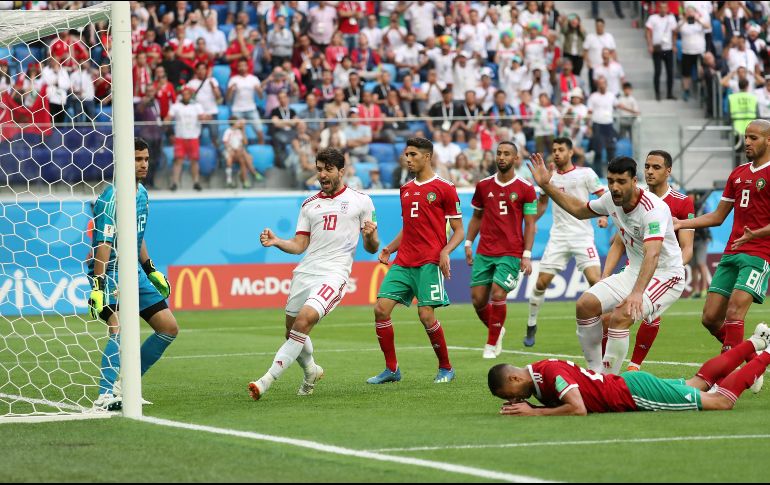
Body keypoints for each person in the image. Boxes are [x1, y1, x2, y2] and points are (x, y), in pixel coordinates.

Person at [529, 154, 685, 375]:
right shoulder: (611, 200)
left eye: (621, 182)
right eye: (610, 181)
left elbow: (653, 254)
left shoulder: (654, 209)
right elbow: (579, 210)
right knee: (585, 305)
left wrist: (637, 293)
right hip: (634, 271)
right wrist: (547, 184)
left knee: (621, 315)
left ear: (634, 181)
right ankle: (594, 373)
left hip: (666, 275)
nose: (614, 187)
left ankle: (608, 380)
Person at [249, 148, 379, 400]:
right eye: (319, 169)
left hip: (334, 273)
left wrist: (371, 236)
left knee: (304, 321)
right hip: (306, 272)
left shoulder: (361, 200)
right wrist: (277, 241)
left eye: (328, 169)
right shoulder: (309, 204)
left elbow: (371, 247)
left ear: (342, 171)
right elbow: (299, 245)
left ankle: (265, 380)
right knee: (292, 333)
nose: (322, 174)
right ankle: (311, 370)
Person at [487, 323, 770, 416]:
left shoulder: (546, 374)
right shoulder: (538, 375)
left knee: (720, 402)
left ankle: (766, 352)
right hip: (630, 384)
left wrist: (535, 412)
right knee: (697, 383)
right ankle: (755, 342)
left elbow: (578, 408)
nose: (512, 401)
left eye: (508, 394)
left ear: (514, 377)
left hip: (633, 393)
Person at [674, 120, 770, 376]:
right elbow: (717, 216)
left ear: (768, 140)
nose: (747, 142)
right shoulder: (738, 173)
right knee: (710, 318)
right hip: (732, 252)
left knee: (735, 311)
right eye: (746, 137)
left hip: (759, 253)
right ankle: (754, 361)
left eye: (753, 138)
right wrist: (682, 222)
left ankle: (722, 377)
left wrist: (756, 233)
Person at [89, 138, 178, 410]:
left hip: (135, 271)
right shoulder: (111, 197)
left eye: (146, 159)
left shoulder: (142, 193)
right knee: (119, 326)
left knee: (168, 328)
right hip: (112, 270)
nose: (143, 164)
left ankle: (127, 387)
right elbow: (103, 244)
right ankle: (104, 395)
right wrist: (98, 284)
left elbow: (137, 235)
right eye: (137, 159)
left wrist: (150, 268)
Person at [368, 137, 465, 384]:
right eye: (406, 155)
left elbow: (459, 231)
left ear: (427, 156)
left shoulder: (445, 188)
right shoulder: (406, 189)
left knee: (426, 315)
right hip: (404, 260)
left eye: (412, 155)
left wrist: (445, 252)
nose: (408, 159)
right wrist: (389, 248)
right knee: (380, 309)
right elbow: (409, 227)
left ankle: (446, 368)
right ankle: (392, 369)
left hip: (429, 261)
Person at [602, 150, 696, 371]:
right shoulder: (633, 197)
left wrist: (667, 274)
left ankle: (634, 365)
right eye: (647, 167)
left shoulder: (682, 203)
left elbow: (687, 248)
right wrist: (605, 275)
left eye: (656, 167)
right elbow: (617, 243)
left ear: (668, 171)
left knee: (649, 317)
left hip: (663, 272)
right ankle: (602, 370)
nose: (650, 172)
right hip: (635, 268)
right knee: (607, 318)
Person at [527, 138, 607, 347]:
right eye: (554, 150)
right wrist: (532, 221)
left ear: (571, 152)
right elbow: (542, 204)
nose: (557, 153)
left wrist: (605, 215)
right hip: (559, 237)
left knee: (595, 281)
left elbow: (603, 195)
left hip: (582, 236)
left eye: (561, 150)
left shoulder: (586, 174)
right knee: (541, 283)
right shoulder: (548, 177)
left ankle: (596, 325)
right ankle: (532, 323)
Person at [466, 142, 536, 358]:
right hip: (485, 250)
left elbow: (530, 223)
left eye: (507, 154)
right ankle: (498, 328)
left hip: (511, 251)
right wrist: (468, 243)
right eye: (499, 153)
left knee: (498, 293)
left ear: (516, 159)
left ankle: (491, 344)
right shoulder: (483, 185)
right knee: (478, 300)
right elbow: (477, 217)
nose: (501, 157)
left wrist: (526, 254)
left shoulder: (526, 188)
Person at [165, 86, 210, 191]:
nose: (186, 96)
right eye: (184, 94)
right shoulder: (176, 106)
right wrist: (166, 121)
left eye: (188, 94)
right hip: (180, 137)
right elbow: (169, 117)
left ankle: (196, 182)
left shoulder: (197, 106)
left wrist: (205, 117)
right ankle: (175, 183)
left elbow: (202, 117)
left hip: (193, 137)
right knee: (178, 161)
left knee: (194, 160)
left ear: (190, 95)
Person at [645, 2, 677, 101]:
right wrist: (650, 45)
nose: (663, 10)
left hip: (668, 49)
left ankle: (669, 93)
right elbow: (648, 32)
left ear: (667, 9)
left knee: (670, 72)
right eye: (661, 8)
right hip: (657, 49)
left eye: (665, 8)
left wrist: (674, 45)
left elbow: (674, 32)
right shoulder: (653, 18)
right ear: (658, 8)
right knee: (657, 71)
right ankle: (657, 93)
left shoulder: (671, 18)